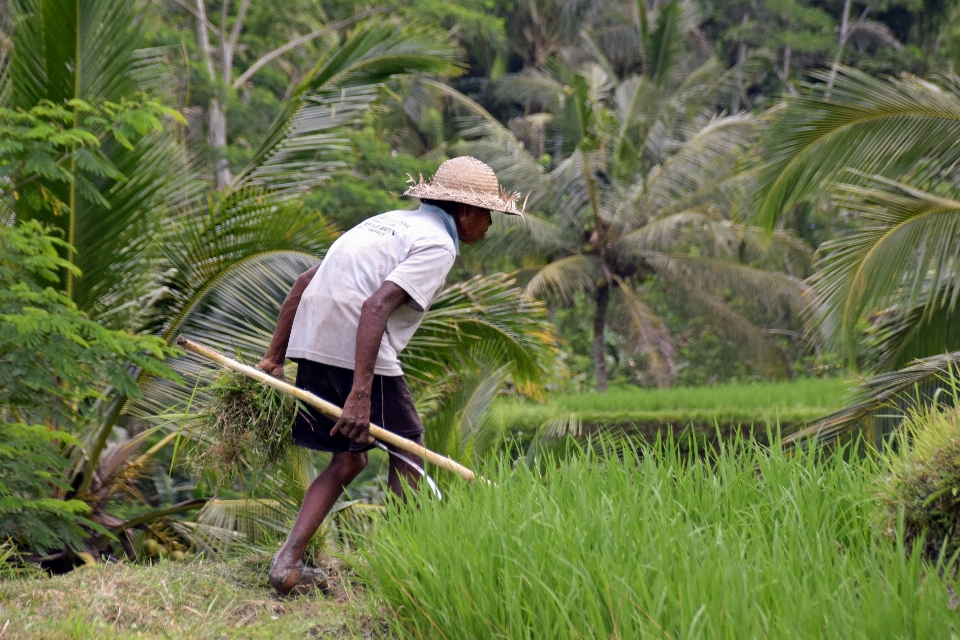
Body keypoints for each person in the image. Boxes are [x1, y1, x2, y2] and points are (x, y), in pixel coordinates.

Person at [258, 156, 523, 595]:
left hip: (313, 339)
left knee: (350, 457)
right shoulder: (438, 244)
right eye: (487, 213)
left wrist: (274, 357)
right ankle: (406, 567)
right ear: (465, 211)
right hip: (354, 346)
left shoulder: (384, 223)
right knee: (408, 451)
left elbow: (305, 282)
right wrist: (361, 392)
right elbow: (376, 306)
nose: (489, 225)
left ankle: (286, 564)